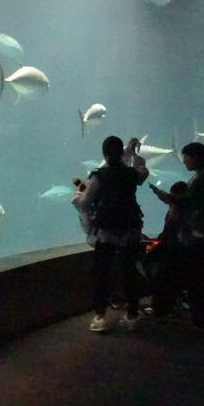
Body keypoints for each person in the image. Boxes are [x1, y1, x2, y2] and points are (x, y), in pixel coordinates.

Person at [74, 135, 148, 333]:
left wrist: (77, 199)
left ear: (104, 154)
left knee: (101, 274)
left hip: (106, 232)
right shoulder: (132, 174)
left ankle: (100, 316)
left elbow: (86, 202)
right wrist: (133, 154)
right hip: (131, 230)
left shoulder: (99, 176)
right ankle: (132, 315)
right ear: (120, 153)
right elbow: (143, 171)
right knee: (129, 272)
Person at [149, 141, 204, 330]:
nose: (184, 161)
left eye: (186, 157)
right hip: (198, 236)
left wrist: (165, 195)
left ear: (196, 157)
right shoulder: (203, 176)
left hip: (197, 238)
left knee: (198, 282)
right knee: (198, 281)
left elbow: (189, 202)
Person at [143, 180, 190, 318]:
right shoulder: (181, 208)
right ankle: (168, 305)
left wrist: (157, 191)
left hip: (172, 249)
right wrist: (156, 190)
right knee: (167, 276)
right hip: (172, 247)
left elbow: (168, 198)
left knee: (163, 275)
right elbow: (166, 198)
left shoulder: (179, 210)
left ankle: (162, 308)